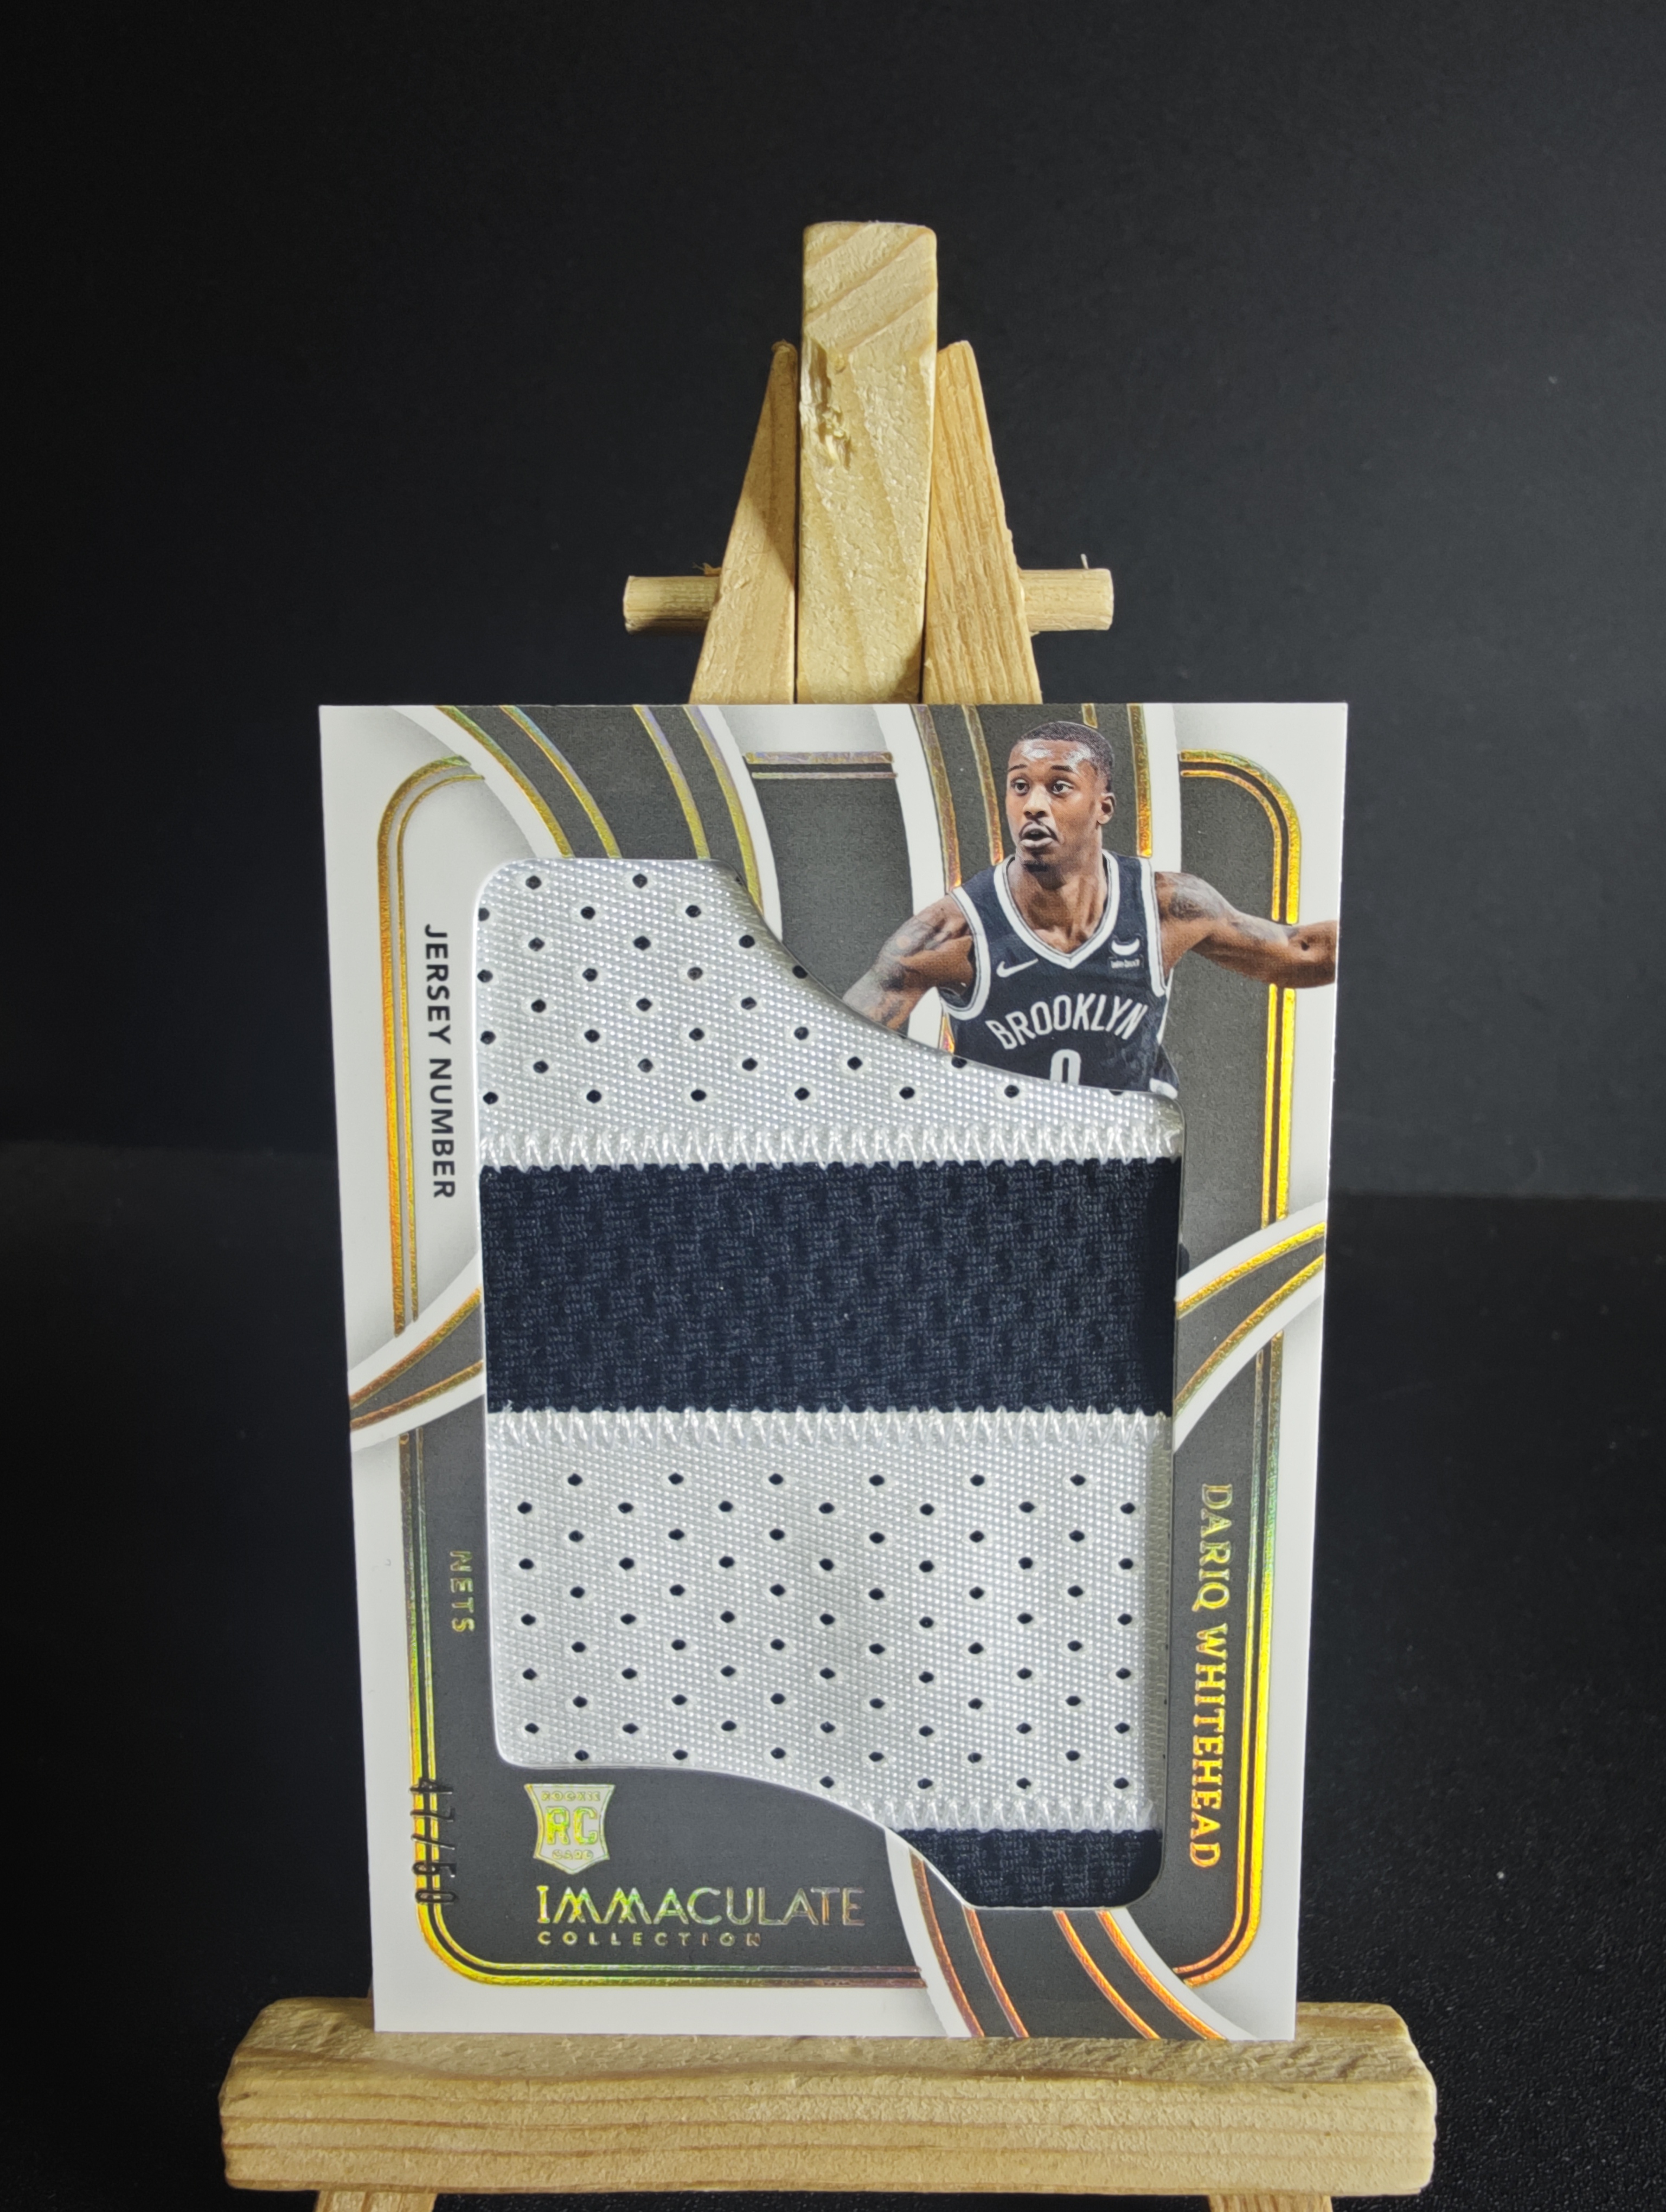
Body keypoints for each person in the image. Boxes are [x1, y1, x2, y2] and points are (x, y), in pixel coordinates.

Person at [843, 721, 1336, 1095]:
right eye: (1020, 786)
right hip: (1008, 1169)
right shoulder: (950, 935)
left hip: (1127, 1164)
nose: (1034, 805)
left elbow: (1302, 953)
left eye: (1059, 787)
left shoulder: (1165, 908)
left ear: (1103, 807)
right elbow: (838, 1047)